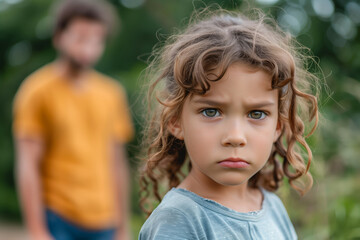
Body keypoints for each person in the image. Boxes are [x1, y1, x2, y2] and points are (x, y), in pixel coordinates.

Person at [138, 9, 320, 240]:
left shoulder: (272, 206)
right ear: (175, 120)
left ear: (278, 126)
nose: (235, 136)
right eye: (211, 111)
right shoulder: (179, 219)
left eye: (256, 114)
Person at [13, 0, 134, 239]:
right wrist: (37, 230)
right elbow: (28, 164)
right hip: (58, 218)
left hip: (105, 221)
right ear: (59, 36)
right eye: (80, 38)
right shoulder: (36, 91)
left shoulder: (112, 94)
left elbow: (117, 163)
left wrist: (123, 227)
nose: (88, 48)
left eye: (96, 40)